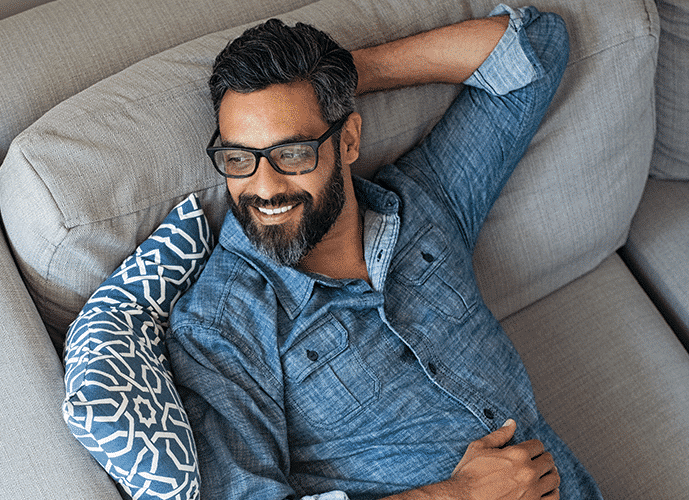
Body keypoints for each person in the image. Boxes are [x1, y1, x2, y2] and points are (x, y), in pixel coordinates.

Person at [167, 4, 604, 499]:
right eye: (238, 158)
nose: (263, 188)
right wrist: (454, 496)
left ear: (348, 139)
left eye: (291, 153)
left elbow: (536, 50)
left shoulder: (427, 202)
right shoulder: (220, 327)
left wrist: (344, 76)